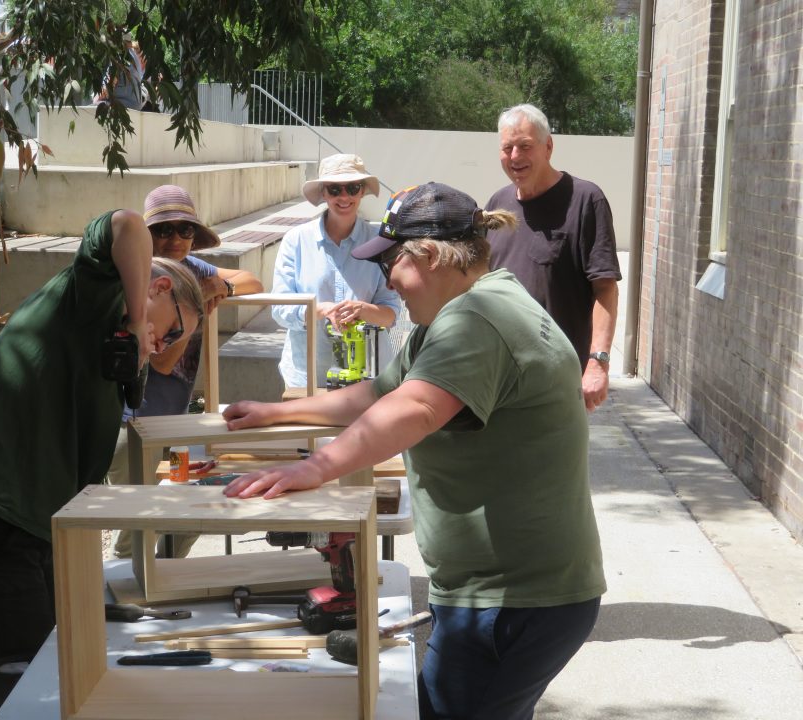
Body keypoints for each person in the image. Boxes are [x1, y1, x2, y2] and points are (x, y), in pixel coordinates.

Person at [223, 182, 606, 720]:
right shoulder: (467, 310)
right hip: (505, 594)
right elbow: (383, 392)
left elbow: (416, 410)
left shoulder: (476, 319)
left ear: (426, 255)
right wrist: (275, 412)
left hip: (512, 599)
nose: (387, 283)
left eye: (389, 267)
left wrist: (316, 468)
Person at [0, 209, 204, 720]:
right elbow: (127, 225)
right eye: (172, 331)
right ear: (155, 287)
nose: (165, 350)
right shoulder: (93, 299)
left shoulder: (107, 347)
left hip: (30, 535)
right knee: (25, 701)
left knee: (56, 689)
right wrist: (140, 319)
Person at [108, 184, 263, 558]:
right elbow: (161, 360)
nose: (175, 238)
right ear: (147, 236)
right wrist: (193, 311)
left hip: (173, 425)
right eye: (163, 230)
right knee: (138, 522)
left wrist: (219, 285)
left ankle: (166, 577)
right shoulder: (140, 276)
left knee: (190, 504)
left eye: (185, 229)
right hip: (133, 429)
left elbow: (254, 281)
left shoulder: (192, 269)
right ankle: (127, 595)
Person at [485, 103, 621, 412]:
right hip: (499, 376)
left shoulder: (585, 200)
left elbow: (606, 289)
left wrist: (598, 362)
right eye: (507, 148)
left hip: (557, 381)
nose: (515, 157)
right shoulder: (497, 204)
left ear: (548, 147)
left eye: (525, 146)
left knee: (550, 461)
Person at [272, 153, 401, 391]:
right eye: (334, 189)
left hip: (368, 379)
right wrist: (319, 310)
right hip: (308, 375)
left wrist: (362, 309)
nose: (344, 196)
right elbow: (280, 310)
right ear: (323, 193)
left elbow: (391, 313)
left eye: (352, 188)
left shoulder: (380, 243)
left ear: (362, 191)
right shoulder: (296, 240)